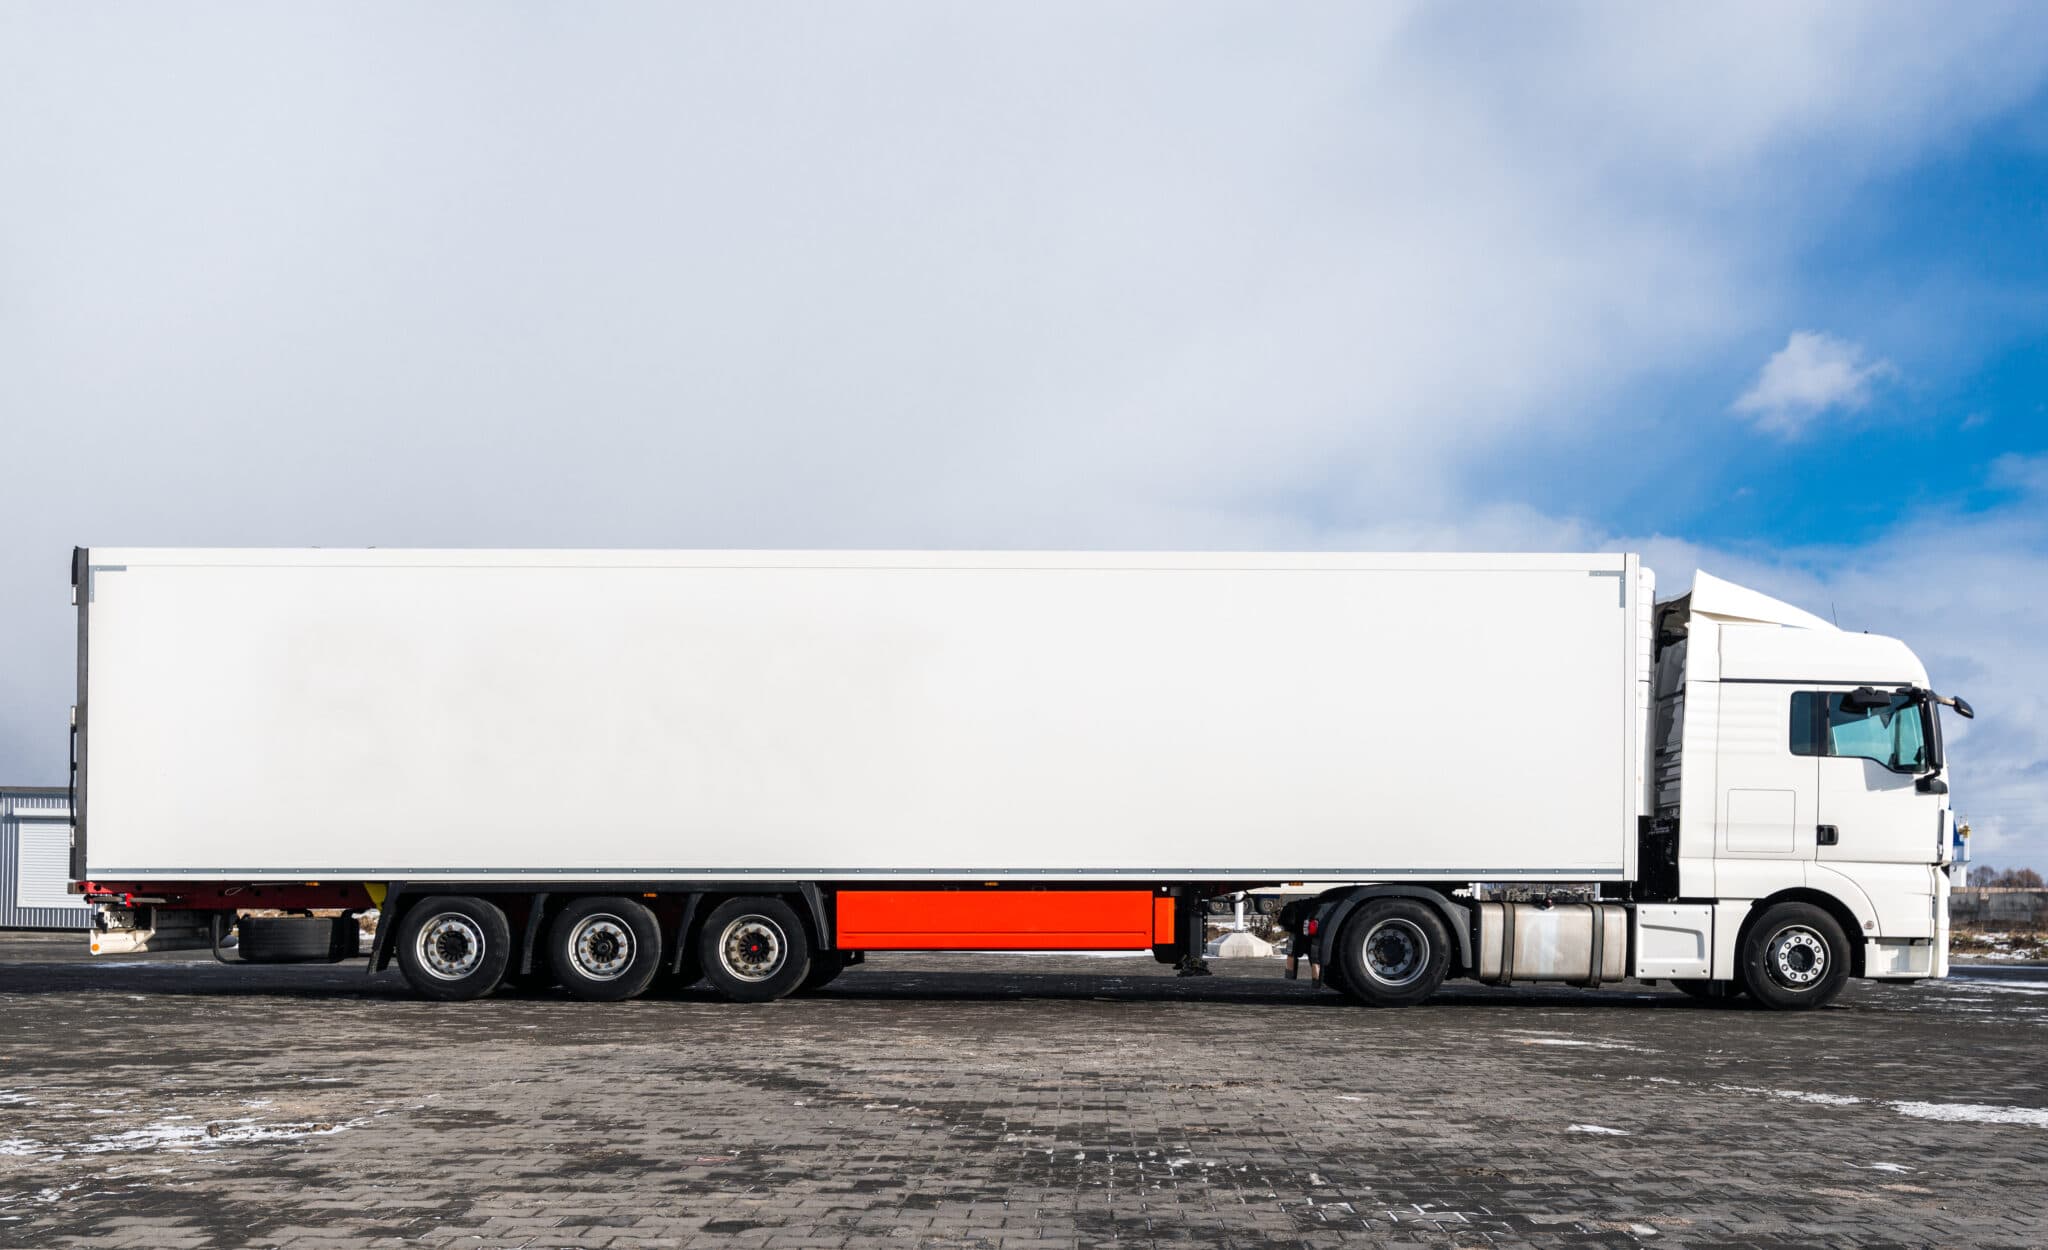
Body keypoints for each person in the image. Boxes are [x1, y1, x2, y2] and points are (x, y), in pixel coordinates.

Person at [1278, 896, 1320, 985]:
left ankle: (1290, 977)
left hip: (1297, 928)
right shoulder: (1313, 907)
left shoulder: (1293, 908)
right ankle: (1316, 980)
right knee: (1314, 958)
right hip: (1307, 929)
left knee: (1292, 953)